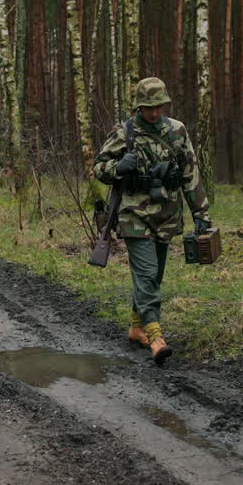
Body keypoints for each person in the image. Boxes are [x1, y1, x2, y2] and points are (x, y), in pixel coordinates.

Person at [93, 77, 212, 365]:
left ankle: (136, 327)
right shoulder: (124, 132)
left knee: (155, 273)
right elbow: (99, 168)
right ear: (138, 107)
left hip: (167, 213)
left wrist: (201, 214)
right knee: (146, 273)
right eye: (148, 108)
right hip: (134, 214)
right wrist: (118, 167)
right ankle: (155, 335)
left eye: (158, 107)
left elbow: (190, 173)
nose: (154, 113)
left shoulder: (177, 131)